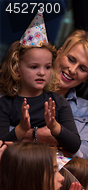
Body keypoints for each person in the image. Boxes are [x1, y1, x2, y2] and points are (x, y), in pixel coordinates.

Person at [0, 14, 80, 155]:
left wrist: (54, 126)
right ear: (17, 70)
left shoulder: (57, 102)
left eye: (47, 67)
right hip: (20, 165)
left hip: (52, 165)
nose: (42, 73)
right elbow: (1, 146)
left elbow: (74, 145)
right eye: (34, 67)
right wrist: (21, 129)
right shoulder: (5, 104)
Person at [29, 30, 88, 160]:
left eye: (82, 68)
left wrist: (58, 138)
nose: (72, 70)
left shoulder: (86, 108)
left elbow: (86, 155)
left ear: (87, 77)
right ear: (59, 53)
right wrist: (35, 134)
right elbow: (5, 133)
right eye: (71, 59)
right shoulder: (26, 89)